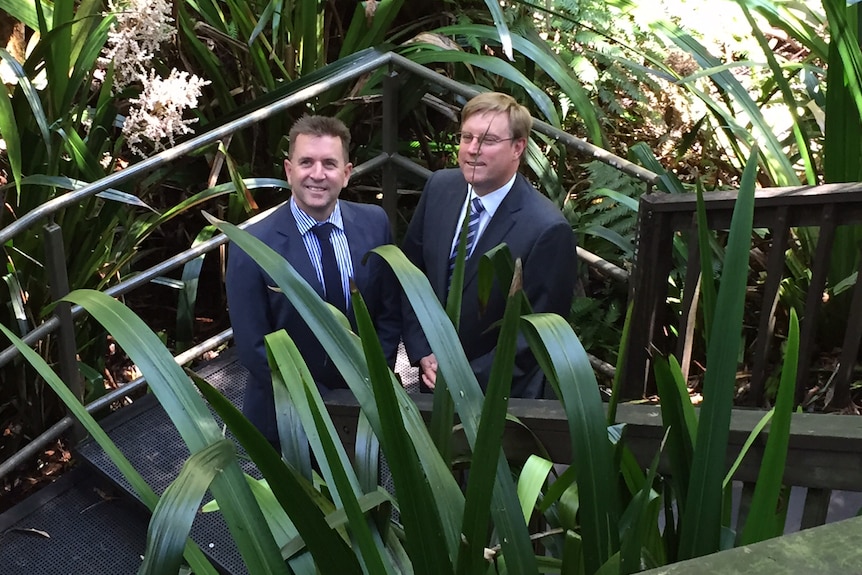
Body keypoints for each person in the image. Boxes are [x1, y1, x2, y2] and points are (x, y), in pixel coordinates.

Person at [226, 115, 400, 443]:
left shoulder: (374, 224)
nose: (317, 175)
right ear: (289, 170)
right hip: (287, 416)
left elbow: (389, 311)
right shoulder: (252, 245)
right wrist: (322, 402)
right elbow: (253, 348)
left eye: (329, 164)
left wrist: (375, 376)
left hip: (367, 410)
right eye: (306, 162)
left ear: (346, 173)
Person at [401, 92, 578, 399]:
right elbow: (410, 272)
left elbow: (535, 335)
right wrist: (422, 350)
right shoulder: (440, 187)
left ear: (518, 147)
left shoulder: (547, 230)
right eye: (466, 136)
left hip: (494, 395)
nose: (472, 149)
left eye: (488, 140)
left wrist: (463, 377)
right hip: (426, 375)